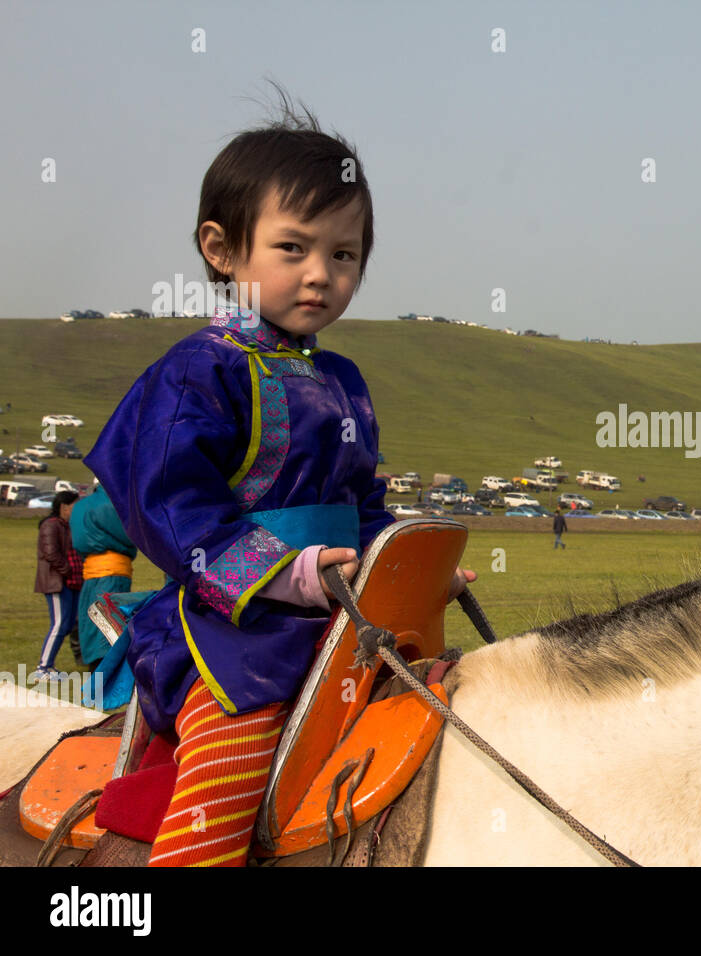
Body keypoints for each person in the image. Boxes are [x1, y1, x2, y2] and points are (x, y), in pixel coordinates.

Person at [83, 95, 475, 868]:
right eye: (293, 248)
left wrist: (409, 570)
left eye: (345, 254)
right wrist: (287, 571)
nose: (321, 275)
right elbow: (172, 508)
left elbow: (362, 506)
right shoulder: (199, 371)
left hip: (340, 627)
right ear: (222, 249)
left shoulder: (343, 378)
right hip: (231, 635)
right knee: (235, 761)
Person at [69, 485, 137, 672]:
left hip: (90, 571)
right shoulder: (114, 503)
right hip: (113, 570)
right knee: (109, 619)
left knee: (89, 618)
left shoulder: (81, 506)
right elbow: (129, 534)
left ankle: (92, 662)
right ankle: (105, 668)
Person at [33, 490, 83, 680]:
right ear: (64, 507)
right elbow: (50, 553)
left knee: (67, 624)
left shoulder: (65, 525)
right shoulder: (51, 525)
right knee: (59, 624)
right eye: (74, 507)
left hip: (68, 582)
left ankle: (49, 666)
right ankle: (42, 667)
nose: (76, 511)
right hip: (56, 582)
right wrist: (68, 570)